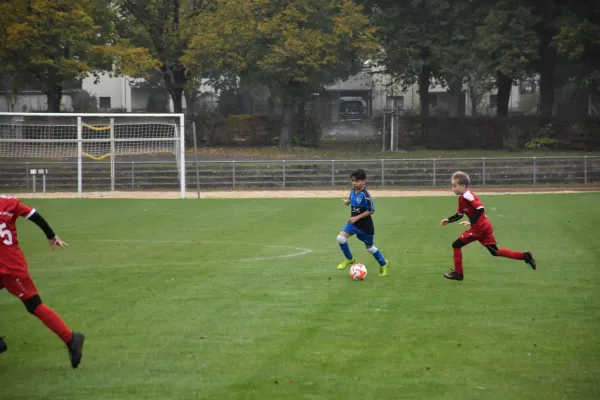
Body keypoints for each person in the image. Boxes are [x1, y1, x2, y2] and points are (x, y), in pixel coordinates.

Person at [0, 195, 84, 368]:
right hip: (8, 263)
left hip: (10, 268)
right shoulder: (7, 202)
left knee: (34, 305)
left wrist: (51, 235)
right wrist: (51, 235)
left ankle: (71, 339)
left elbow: (33, 214)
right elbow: (33, 214)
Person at [440, 171, 536, 281]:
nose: (452, 188)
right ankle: (525, 256)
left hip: (479, 229)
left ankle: (458, 273)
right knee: (494, 252)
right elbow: (459, 215)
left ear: (462, 186)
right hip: (484, 227)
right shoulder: (462, 198)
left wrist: (472, 222)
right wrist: (449, 220)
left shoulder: (468, 196)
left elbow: (480, 208)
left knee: (456, 245)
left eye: (454, 186)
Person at [336, 169, 389, 276]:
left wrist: (356, 218)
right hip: (353, 224)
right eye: (353, 181)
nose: (354, 183)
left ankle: (383, 264)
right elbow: (352, 198)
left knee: (370, 248)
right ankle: (349, 259)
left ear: (363, 181)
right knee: (340, 238)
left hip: (365, 226)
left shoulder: (366, 195)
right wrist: (347, 202)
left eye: (357, 181)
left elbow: (371, 210)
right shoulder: (352, 191)